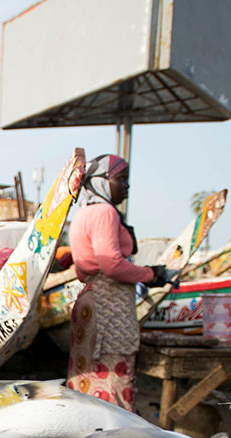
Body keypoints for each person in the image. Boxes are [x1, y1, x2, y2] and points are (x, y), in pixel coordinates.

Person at [66, 154, 167, 411]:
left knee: (87, 376)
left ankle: (84, 432)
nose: (127, 186)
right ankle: (114, 437)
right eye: (121, 179)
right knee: (113, 377)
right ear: (101, 182)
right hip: (110, 304)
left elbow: (83, 266)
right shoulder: (105, 213)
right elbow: (111, 264)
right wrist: (150, 274)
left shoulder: (84, 213)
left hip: (91, 299)